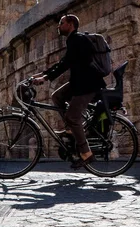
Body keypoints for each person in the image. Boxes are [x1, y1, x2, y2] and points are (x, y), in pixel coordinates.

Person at [32, 14, 106, 169]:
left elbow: (66, 63)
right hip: (79, 83)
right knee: (57, 96)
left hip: (89, 85)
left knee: (73, 116)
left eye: (61, 23)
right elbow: (64, 62)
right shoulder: (73, 40)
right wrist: (44, 74)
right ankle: (70, 130)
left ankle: (86, 153)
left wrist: (45, 78)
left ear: (71, 24)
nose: (58, 26)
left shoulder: (78, 40)